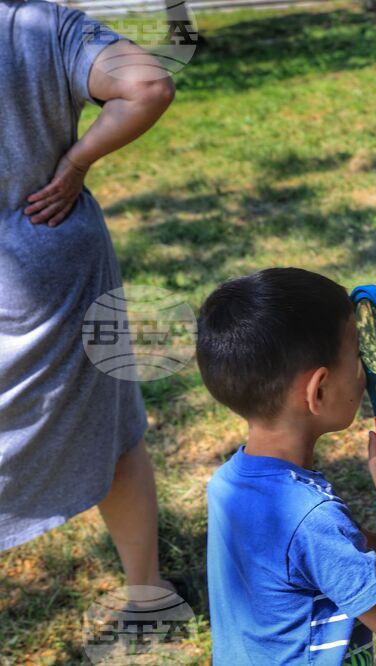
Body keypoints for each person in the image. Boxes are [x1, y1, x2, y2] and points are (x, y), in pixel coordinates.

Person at [196, 267, 376, 664]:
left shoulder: (229, 485)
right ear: (318, 390)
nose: (366, 372)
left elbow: (369, 555)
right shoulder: (311, 519)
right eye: (357, 356)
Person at [0, 0, 176, 594]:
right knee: (113, 434)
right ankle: (147, 593)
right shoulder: (41, 24)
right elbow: (147, 85)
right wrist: (76, 161)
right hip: (51, 255)